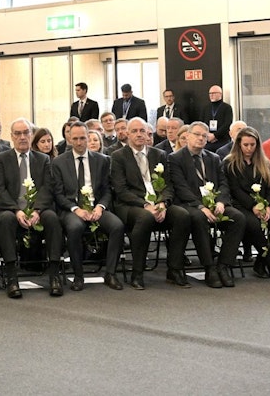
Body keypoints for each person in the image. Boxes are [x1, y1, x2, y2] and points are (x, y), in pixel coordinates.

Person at [110, 117, 191, 289]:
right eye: (134, 131)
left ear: (149, 134)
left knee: (182, 216)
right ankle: (137, 272)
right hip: (131, 206)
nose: (139, 134)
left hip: (158, 203)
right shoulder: (118, 156)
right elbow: (121, 190)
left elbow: (168, 185)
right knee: (145, 217)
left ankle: (175, 268)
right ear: (127, 134)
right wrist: (146, 205)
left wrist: (163, 204)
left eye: (142, 131)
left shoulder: (159, 154)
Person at [168, 121, 246, 288]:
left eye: (204, 136)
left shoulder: (214, 158)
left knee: (238, 218)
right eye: (197, 134)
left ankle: (223, 265)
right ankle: (209, 267)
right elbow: (181, 188)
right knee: (199, 218)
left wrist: (221, 202)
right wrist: (201, 207)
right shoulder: (175, 158)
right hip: (190, 204)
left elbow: (223, 183)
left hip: (214, 203)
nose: (201, 138)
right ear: (187, 136)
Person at [0, 117, 64, 298]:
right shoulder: (1, 159)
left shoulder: (43, 159)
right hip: (10, 210)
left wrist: (37, 210)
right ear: (12, 136)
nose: (22, 137)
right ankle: (12, 277)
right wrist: (17, 211)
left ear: (31, 135)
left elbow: (47, 188)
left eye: (26, 133)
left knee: (52, 218)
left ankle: (54, 275)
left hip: (38, 209)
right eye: (18, 133)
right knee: (6, 219)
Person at [51, 121, 124, 290]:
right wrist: (76, 209)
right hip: (71, 209)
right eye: (75, 138)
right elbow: (58, 195)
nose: (79, 142)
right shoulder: (59, 162)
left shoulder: (102, 160)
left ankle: (110, 273)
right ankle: (78, 276)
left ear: (88, 137)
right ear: (69, 139)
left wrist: (100, 207)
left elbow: (107, 190)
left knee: (117, 226)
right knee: (75, 228)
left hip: (96, 206)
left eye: (83, 138)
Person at [223, 126, 270, 279]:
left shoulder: (264, 162)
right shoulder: (230, 163)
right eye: (246, 145)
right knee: (254, 226)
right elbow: (235, 190)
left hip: (265, 204)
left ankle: (261, 261)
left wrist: (269, 206)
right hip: (242, 205)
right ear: (239, 144)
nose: (249, 148)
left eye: (252, 145)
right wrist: (253, 206)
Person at [203, 85, 234, 152]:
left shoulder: (227, 107)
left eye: (213, 93)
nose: (211, 95)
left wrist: (215, 135)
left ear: (220, 94)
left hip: (222, 140)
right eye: (210, 93)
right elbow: (202, 123)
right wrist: (208, 135)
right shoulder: (206, 108)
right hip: (208, 140)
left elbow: (227, 124)